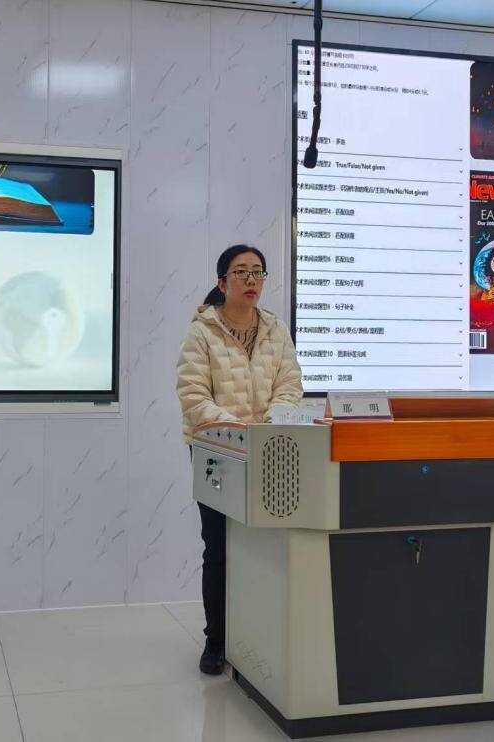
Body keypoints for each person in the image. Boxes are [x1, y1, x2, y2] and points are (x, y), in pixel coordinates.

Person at [175, 244, 303, 675]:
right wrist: (239, 431)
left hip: (268, 450)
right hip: (217, 453)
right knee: (219, 548)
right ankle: (216, 641)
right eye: (241, 272)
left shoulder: (276, 330)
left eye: (258, 272)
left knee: (264, 548)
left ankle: (257, 636)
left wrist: (268, 425)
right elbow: (194, 396)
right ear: (222, 281)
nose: (251, 280)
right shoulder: (202, 332)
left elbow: (290, 385)